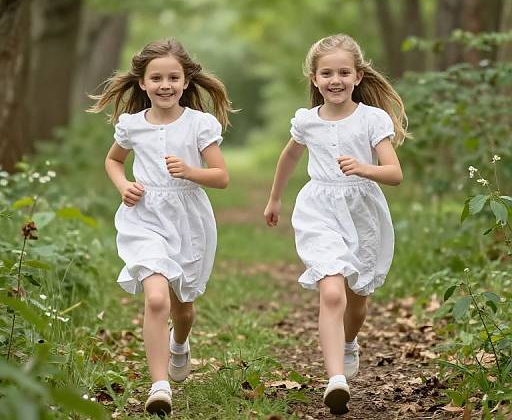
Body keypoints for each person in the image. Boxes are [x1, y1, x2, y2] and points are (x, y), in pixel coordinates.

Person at [264, 34, 407, 415]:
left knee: (357, 300)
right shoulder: (307, 121)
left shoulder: (372, 119)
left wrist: (363, 168)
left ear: (358, 76)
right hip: (319, 210)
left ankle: (348, 343)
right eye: (327, 73)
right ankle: (335, 380)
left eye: (344, 72)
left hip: (363, 212)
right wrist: (276, 197)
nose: (335, 79)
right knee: (331, 291)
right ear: (314, 78)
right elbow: (289, 157)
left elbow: (394, 173)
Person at [88, 38, 232, 415]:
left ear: (186, 82)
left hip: (189, 220)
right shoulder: (132, 125)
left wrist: (190, 171)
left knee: (182, 307)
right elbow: (113, 162)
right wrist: (123, 186)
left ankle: (179, 344)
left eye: (173, 77)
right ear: (142, 83)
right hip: (145, 216)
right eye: (157, 78)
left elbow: (220, 177)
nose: (165, 85)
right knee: (156, 298)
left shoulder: (200, 124)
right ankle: (159, 386)